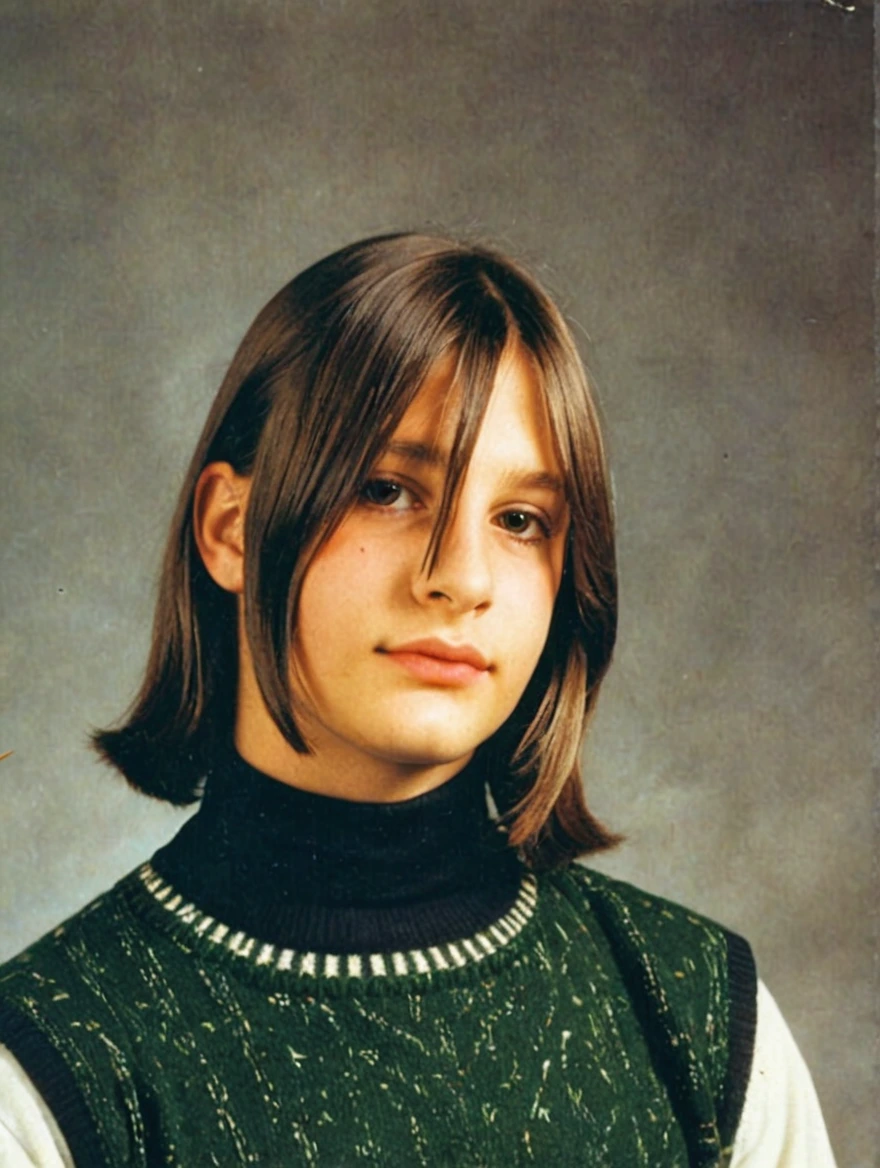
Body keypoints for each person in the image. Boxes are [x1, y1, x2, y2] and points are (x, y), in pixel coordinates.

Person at [0, 233, 836, 1166]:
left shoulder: (702, 1019)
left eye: (520, 520)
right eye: (388, 490)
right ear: (230, 529)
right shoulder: (47, 1067)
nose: (461, 576)